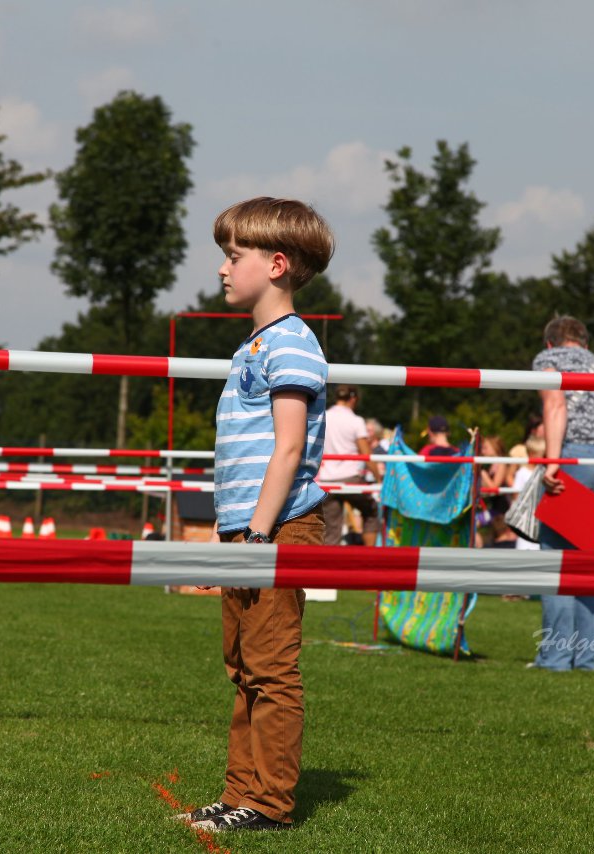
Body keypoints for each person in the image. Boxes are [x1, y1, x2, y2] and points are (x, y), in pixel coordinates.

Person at [179, 197, 333, 834]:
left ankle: (269, 805)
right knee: (242, 667)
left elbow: (289, 446)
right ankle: (240, 792)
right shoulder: (255, 345)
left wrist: (259, 534)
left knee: (271, 669)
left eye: (232, 256)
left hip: (277, 529)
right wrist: (232, 533)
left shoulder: (291, 343)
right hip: (247, 529)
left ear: (275, 265)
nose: (221, 268)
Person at [529, 316, 594, 672]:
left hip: (577, 459)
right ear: (585, 344)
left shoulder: (548, 360)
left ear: (551, 343)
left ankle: (555, 658)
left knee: (556, 564)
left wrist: (553, 462)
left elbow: (555, 403)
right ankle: (591, 660)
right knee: (588, 563)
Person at [318, 385, 380, 545]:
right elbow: (366, 454)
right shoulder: (356, 421)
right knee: (371, 511)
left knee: (331, 528)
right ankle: (369, 559)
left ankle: (329, 566)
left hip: (327, 481)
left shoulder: (324, 416)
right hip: (351, 480)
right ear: (353, 399)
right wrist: (379, 478)